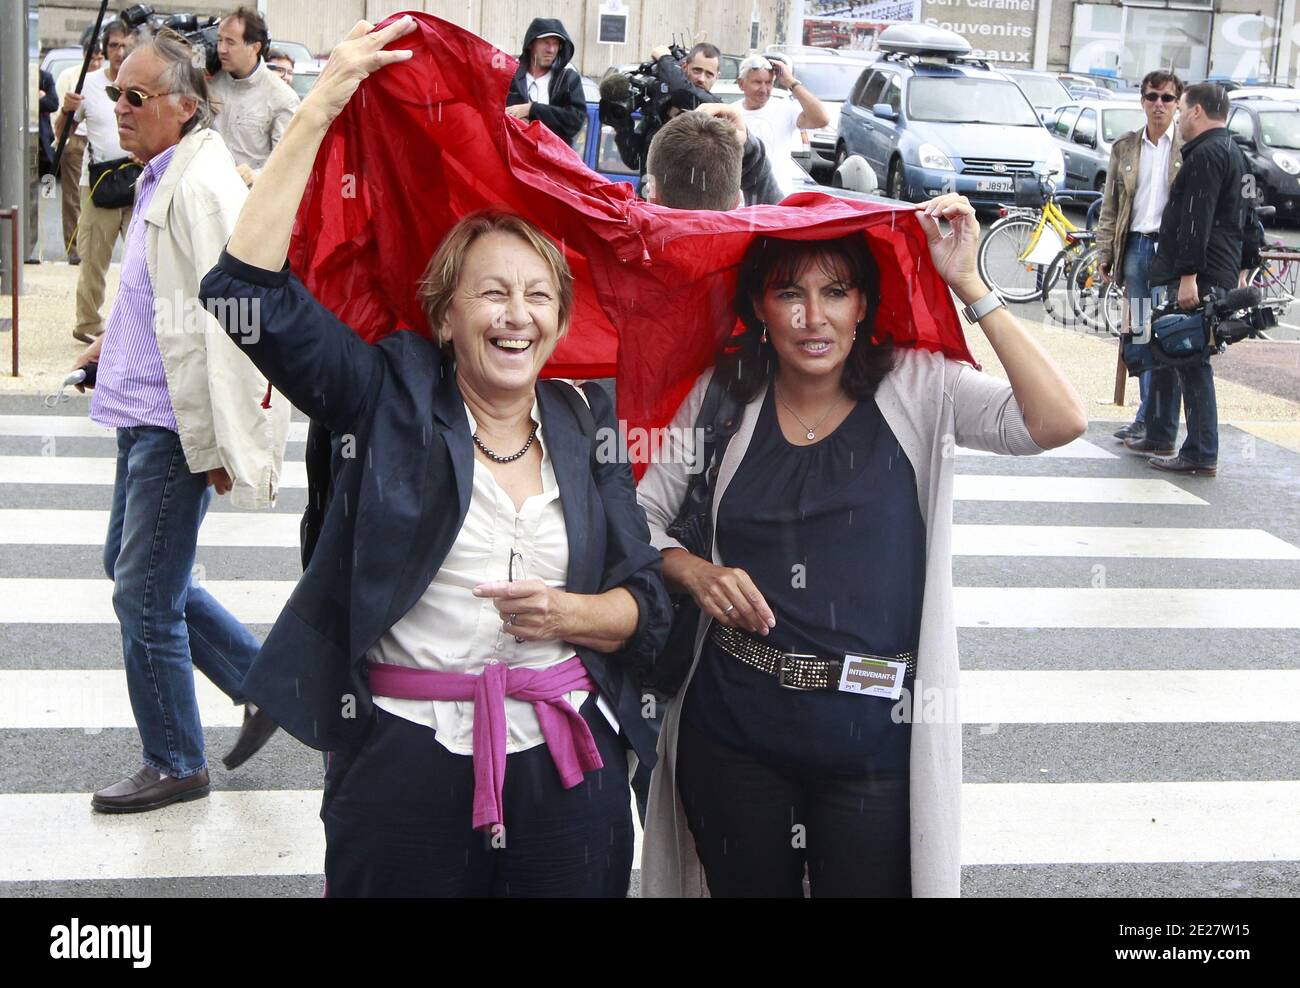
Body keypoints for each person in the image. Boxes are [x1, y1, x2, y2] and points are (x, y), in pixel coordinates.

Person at [198, 16, 672, 897]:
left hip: (567, 774)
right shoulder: (386, 394)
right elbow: (241, 297)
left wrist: (570, 615)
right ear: (444, 314)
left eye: (538, 297)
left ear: (562, 325)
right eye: (490, 292)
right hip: (404, 769)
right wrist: (320, 104)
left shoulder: (584, 420)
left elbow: (648, 609)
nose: (515, 315)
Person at [637, 193, 1088, 897]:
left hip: (873, 740)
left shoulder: (919, 386)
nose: (813, 317)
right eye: (790, 293)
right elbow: (640, 521)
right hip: (733, 733)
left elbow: (1057, 420)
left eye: (835, 293)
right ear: (759, 305)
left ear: (863, 306)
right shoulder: (723, 394)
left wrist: (970, 283)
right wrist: (692, 570)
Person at [69, 29, 290, 813]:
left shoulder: (201, 188)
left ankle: (175, 758)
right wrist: (107, 343)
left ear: (185, 106)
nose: (119, 108)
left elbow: (232, 317)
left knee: (144, 597)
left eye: (136, 96)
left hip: (173, 423)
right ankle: (260, 683)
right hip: (142, 411)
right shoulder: (164, 173)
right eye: (114, 92)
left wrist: (229, 437)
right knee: (132, 576)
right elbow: (156, 293)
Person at [1140, 82, 1260, 478]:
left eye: (1180, 108)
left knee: (1191, 358)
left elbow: (1196, 219)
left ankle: (1200, 452)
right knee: (1176, 351)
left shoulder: (1206, 154)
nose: (1175, 116)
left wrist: (1188, 277)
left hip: (1199, 273)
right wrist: (1245, 263)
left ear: (1195, 111)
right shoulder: (1236, 153)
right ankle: (1162, 434)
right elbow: (1248, 216)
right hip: (1220, 268)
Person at [1096, 70, 1184, 445]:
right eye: (1151, 97)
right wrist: (1106, 250)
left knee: (1167, 335)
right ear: (1142, 101)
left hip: (1171, 252)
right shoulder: (1125, 147)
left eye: (1166, 98)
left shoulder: (1187, 148)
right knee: (1142, 335)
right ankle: (1145, 417)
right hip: (1135, 246)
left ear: (1178, 102)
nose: (1158, 104)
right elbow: (1111, 206)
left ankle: (1156, 420)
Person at [610, 43, 781, 205]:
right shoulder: (662, 109)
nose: (701, 79)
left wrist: (665, 60)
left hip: (696, 213)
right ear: (684, 68)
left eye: (709, 74)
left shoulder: (716, 112)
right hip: (651, 204)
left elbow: (681, 90)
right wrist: (621, 123)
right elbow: (634, 160)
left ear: (717, 77)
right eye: (697, 70)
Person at [64, 21, 132, 340]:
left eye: (126, 46)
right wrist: (66, 110)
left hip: (138, 179)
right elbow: (61, 131)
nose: (120, 53)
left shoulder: (143, 83)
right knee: (93, 259)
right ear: (104, 50)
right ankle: (88, 323)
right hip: (101, 182)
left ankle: (138, 324)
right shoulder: (88, 84)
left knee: (143, 260)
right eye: (115, 46)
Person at [209, 5, 300, 187]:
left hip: (247, 203)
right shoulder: (209, 83)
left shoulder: (281, 97)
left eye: (230, 42)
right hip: (204, 196)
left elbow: (287, 163)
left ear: (255, 47)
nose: (221, 49)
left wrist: (255, 175)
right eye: (219, 40)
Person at [735, 54, 830, 200]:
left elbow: (821, 119)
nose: (763, 89)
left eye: (768, 82)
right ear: (741, 84)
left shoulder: (785, 109)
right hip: (741, 203)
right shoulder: (731, 113)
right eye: (757, 82)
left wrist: (791, 82)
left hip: (779, 201)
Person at [55, 38, 103, 265]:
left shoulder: (105, 78)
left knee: (96, 196)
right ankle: (73, 247)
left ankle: (92, 246)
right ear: (84, 55)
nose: (95, 62)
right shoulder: (69, 76)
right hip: (74, 138)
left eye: (99, 57)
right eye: (92, 57)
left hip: (97, 138)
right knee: (73, 195)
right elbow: (59, 111)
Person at [505, 18, 585, 148]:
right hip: (514, 159)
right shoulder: (510, 77)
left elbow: (575, 121)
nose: (551, 50)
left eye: (556, 43)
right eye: (545, 42)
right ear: (531, 44)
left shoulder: (568, 79)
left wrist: (532, 109)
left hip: (552, 161)